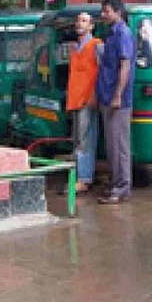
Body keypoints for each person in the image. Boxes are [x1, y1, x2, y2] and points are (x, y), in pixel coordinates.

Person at [96, 0, 135, 205]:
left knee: (119, 145)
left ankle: (122, 187)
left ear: (118, 12)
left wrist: (118, 95)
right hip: (107, 97)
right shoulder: (111, 35)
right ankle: (116, 183)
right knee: (112, 145)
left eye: (107, 11)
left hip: (117, 100)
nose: (103, 15)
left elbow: (125, 66)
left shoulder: (123, 34)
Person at [66, 12, 101, 194]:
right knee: (79, 140)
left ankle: (84, 179)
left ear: (91, 26)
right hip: (75, 99)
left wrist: (95, 96)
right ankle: (83, 176)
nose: (79, 23)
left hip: (87, 99)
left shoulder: (96, 45)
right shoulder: (75, 48)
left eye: (84, 21)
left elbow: (102, 73)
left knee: (85, 141)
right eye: (78, 20)